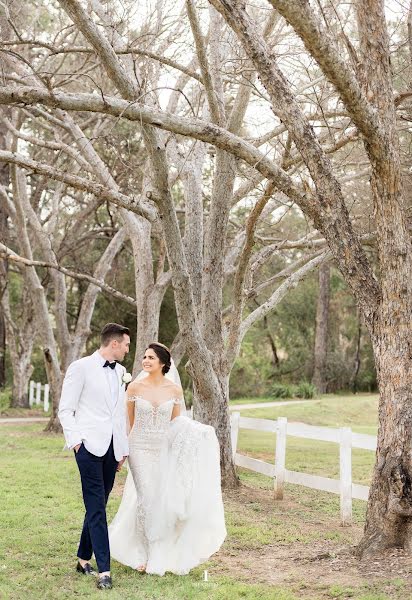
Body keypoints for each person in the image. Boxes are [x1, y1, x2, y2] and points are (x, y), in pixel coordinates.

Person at [109, 342, 226, 576]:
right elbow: (127, 423)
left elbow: (177, 424)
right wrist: (121, 451)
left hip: (163, 448)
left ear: (162, 363)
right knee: (146, 497)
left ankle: (160, 550)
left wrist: (201, 432)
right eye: (144, 357)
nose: (146, 360)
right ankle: (143, 553)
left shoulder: (174, 391)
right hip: (139, 447)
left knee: (160, 498)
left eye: (151, 357)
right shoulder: (133, 388)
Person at [58, 323, 131, 590]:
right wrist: (77, 442)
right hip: (88, 447)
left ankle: (82, 559)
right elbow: (65, 409)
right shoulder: (81, 367)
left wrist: (122, 449)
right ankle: (104, 571)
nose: (126, 349)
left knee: (97, 504)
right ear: (114, 344)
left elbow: (119, 414)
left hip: (112, 449)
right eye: (125, 344)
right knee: (98, 507)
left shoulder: (122, 372)